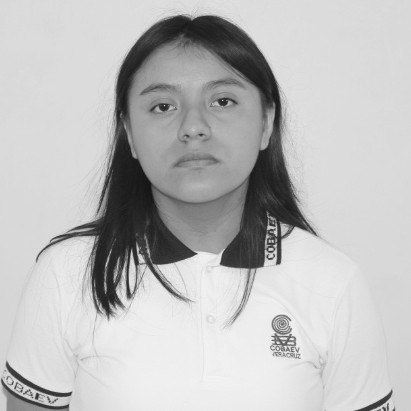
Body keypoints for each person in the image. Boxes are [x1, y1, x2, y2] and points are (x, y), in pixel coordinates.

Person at [2, 14, 394, 411]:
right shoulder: (68, 274)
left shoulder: (333, 283)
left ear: (266, 123)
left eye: (222, 101)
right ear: (129, 133)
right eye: (162, 106)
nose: (193, 127)